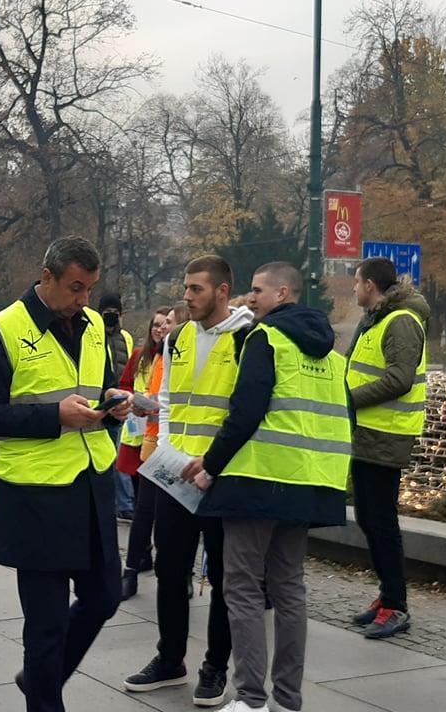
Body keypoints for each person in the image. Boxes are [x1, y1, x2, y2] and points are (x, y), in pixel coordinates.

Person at [0, 236, 133, 712]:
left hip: (92, 482)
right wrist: (54, 417)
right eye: (76, 288)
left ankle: (42, 678)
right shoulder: (4, 327)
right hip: (36, 493)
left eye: (90, 289)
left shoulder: (96, 325)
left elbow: (97, 386)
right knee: (46, 625)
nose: (84, 300)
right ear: (47, 278)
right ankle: (44, 697)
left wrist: (113, 405)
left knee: (104, 597)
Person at [187, 261, 351, 712]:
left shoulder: (265, 338)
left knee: (241, 589)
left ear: (283, 294)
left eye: (258, 290)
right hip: (310, 483)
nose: (250, 298)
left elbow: (245, 411)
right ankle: (289, 699)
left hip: (258, 479)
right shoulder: (333, 356)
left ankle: (252, 699)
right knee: (289, 589)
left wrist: (212, 466)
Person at [123, 256, 252, 708]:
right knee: (169, 568)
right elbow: (170, 399)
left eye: (196, 289)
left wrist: (211, 463)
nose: (187, 296)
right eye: (186, 288)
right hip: (177, 473)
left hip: (221, 474)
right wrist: (169, 452)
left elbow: (246, 411)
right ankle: (169, 658)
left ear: (222, 290)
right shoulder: (178, 336)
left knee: (221, 576)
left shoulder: (247, 337)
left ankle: (215, 665)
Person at [346, 257, 429, 639]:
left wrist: (348, 399)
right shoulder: (377, 320)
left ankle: (397, 605)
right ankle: (386, 595)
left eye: (356, 282)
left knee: (381, 522)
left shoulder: (401, 321)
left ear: (370, 285)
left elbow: (400, 379)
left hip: (387, 435)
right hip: (367, 436)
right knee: (368, 518)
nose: (353, 288)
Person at [119, 306, 171, 600]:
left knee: (165, 516)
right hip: (142, 436)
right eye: (158, 324)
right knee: (142, 508)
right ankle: (135, 565)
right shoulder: (142, 355)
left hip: (170, 443)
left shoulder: (177, 355)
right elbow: (128, 384)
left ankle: (176, 571)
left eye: (167, 324)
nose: (161, 329)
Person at [100, 291, 137, 520]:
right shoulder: (93, 336)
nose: (111, 317)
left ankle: (124, 503)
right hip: (103, 401)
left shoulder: (127, 338)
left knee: (119, 455)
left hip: (122, 402)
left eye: (115, 313)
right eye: (107, 313)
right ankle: (117, 502)